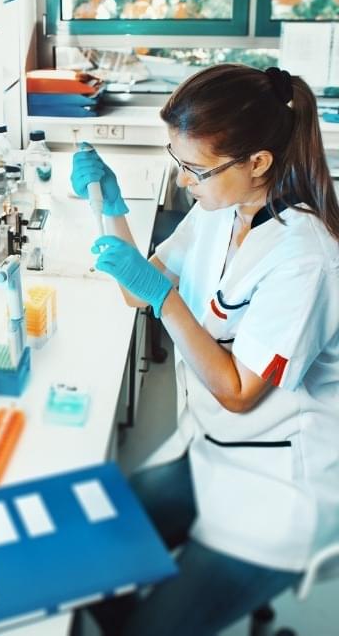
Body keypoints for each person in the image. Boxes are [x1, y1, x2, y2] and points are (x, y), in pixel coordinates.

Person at [70, 64, 339, 636]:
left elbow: (239, 392)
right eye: (179, 163)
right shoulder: (219, 210)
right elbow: (134, 290)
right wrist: (108, 206)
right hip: (212, 454)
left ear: (257, 162)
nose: (185, 181)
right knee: (78, 549)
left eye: (195, 169)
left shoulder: (305, 257)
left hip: (276, 493)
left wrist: (165, 298)